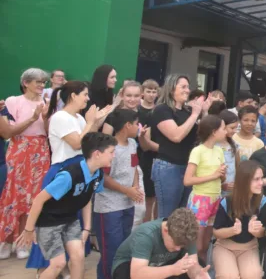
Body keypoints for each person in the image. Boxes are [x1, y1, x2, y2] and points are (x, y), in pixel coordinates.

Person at [15, 132, 115, 279]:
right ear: (97, 154)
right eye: (111, 152)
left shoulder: (97, 174)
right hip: (49, 222)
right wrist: (29, 229)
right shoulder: (69, 175)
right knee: (58, 264)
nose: (114, 156)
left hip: (70, 219)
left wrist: (87, 228)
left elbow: (87, 197)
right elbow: (38, 200)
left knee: (78, 256)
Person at [0, 68, 52, 260]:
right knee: (12, 195)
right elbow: (7, 132)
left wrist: (45, 118)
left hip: (40, 152)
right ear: (26, 83)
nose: (41, 85)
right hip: (19, 150)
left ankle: (23, 242)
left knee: (32, 197)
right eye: (38, 81)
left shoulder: (46, 102)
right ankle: (5, 240)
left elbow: (49, 132)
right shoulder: (13, 101)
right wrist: (32, 118)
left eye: (44, 82)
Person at [94, 110, 144, 279]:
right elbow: (103, 178)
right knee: (111, 252)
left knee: (123, 249)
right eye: (136, 124)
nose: (138, 127)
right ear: (127, 125)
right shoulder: (110, 148)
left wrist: (135, 186)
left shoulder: (132, 143)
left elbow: (134, 166)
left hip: (127, 204)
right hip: (109, 207)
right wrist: (127, 190)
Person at [151, 74, 210, 220]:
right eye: (183, 87)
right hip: (168, 166)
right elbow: (176, 136)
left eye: (188, 87)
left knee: (184, 216)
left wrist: (204, 112)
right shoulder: (162, 110)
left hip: (188, 166)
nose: (187, 90)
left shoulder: (188, 111)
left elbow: (205, 135)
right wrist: (195, 115)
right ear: (171, 89)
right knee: (168, 216)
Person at [111, 207, 210, 279]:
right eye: (176, 243)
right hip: (131, 265)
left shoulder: (188, 233)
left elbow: (192, 263)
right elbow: (136, 274)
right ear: (166, 230)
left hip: (163, 264)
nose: (178, 249)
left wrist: (197, 275)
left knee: (198, 263)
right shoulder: (146, 234)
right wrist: (172, 269)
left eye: (182, 245)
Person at [212, 160, 266, 279]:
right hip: (225, 246)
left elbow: (264, 232)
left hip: (249, 247)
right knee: (229, 276)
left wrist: (256, 231)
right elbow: (216, 232)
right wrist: (232, 231)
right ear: (244, 181)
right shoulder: (227, 202)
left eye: (261, 178)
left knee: (253, 275)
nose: (261, 183)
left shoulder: (263, 201)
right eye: (256, 179)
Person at [182, 114, 226, 265]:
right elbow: (187, 180)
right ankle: (192, 270)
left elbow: (221, 179)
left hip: (215, 199)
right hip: (200, 200)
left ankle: (203, 270)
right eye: (223, 128)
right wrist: (214, 175)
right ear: (214, 131)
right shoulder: (198, 151)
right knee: (196, 245)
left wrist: (222, 175)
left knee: (206, 245)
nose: (225, 131)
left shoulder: (219, 150)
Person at [139, 80, 159, 222]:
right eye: (148, 91)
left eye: (154, 92)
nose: (151, 95)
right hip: (141, 154)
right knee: (145, 196)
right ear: (143, 93)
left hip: (155, 155)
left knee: (155, 195)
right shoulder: (138, 110)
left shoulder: (158, 110)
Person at [216, 110, 239, 199]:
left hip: (231, 189)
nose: (235, 131)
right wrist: (221, 185)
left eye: (236, 128)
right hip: (217, 189)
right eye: (232, 128)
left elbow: (237, 164)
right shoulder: (214, 145)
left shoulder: (233, 144)